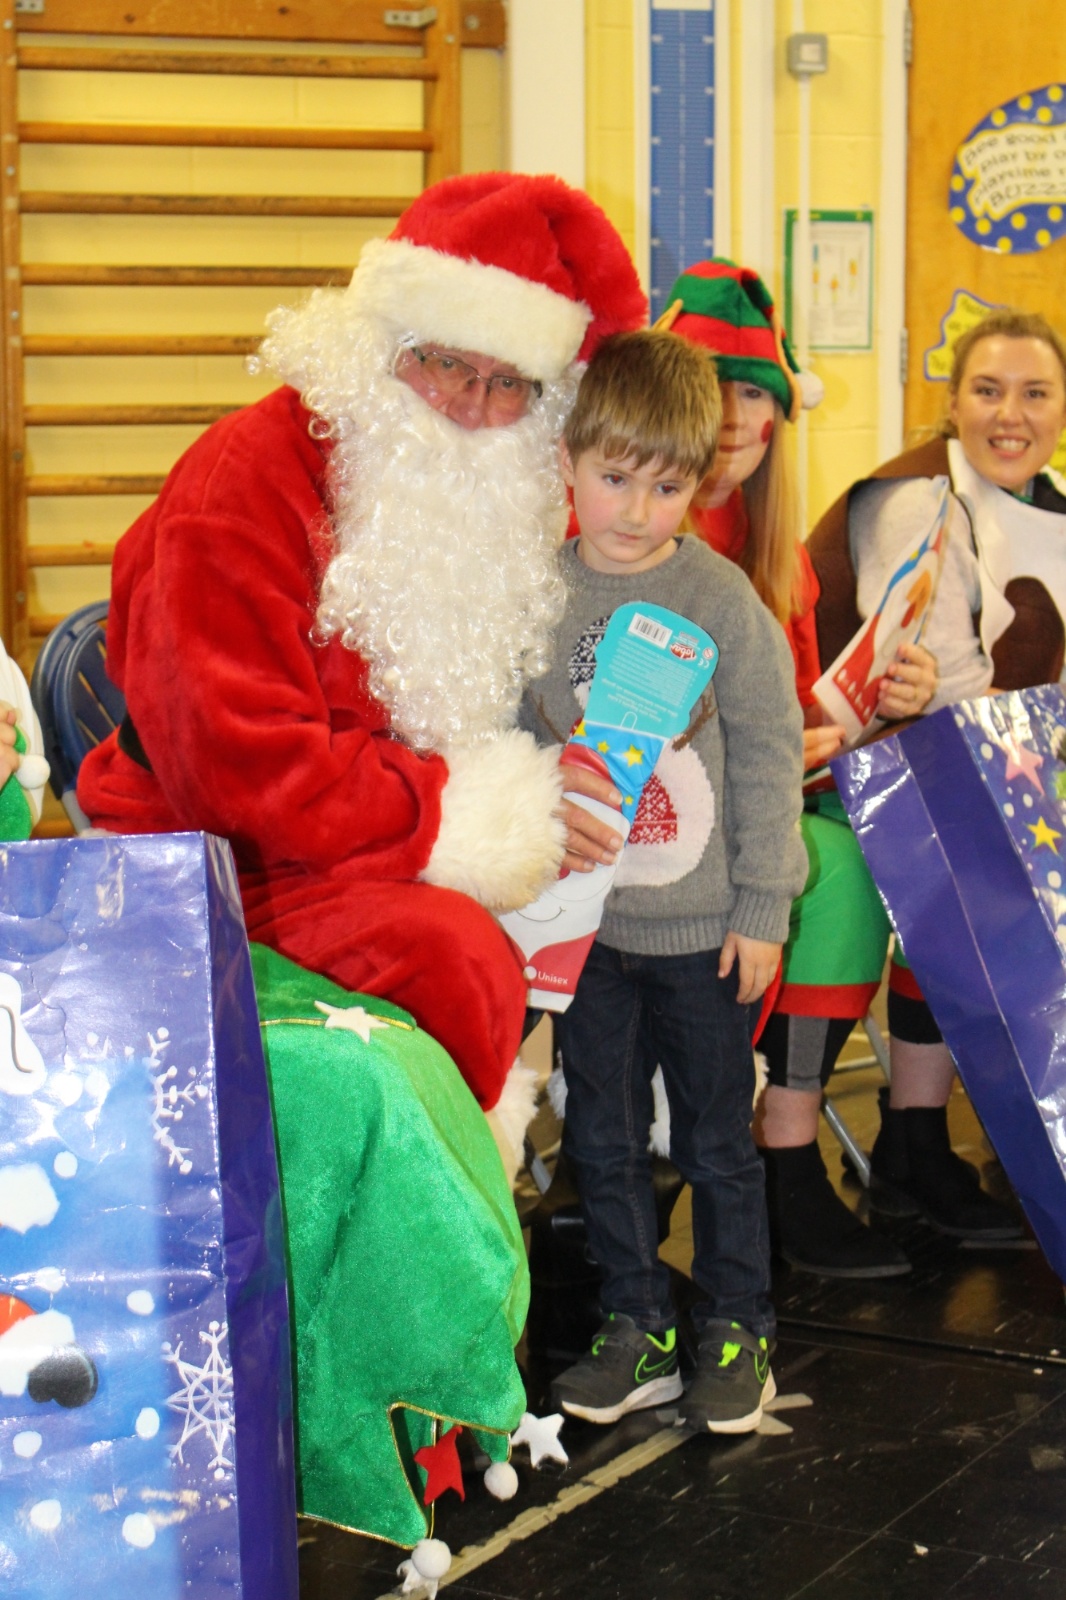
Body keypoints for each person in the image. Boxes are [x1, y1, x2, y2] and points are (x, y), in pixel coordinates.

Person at [76, 172, 646, 1158]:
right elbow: (233, 762)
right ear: (381, 342)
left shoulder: (496, 498)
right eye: (445, 363)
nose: (472, 407)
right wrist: (450, 813)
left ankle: (529, 1195)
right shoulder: (242, 481)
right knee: (454, 958)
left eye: (509, 383)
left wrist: (570, 788)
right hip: (215, 851)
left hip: (365, 835)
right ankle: (423, 1224)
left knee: (626, 917)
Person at [523, 329, 807, 1433]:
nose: (638, 512)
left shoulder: (718, 596)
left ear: (702, 479)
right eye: (614, 478)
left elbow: (771, 749)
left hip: (704, 936)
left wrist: (763, 905)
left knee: (716, 1143)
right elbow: (512, 744)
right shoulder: (537, 592)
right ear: (568, 460)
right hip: (587, 934)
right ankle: (634, 1324)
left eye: (668, 487)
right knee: (598, 1140)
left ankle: (737, 1328)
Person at [659, 258, 934, 1278]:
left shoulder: (777, 550)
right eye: (711, 389)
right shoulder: (630, 527)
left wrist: (872, 704)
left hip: (759, 810)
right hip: (652, 827)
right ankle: (774, 1156)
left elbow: (805, 716)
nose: (736, 418)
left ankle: (812, 1149)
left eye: (755, 394)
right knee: (826, 864)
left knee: (883, 846)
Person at [808, 307, 1066, 1238]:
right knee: (987, 863)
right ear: (952, 403)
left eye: (1035, 393)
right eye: (987, 390)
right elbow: (941, 679)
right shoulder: (915, 500)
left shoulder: (1053, 508)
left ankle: (938, 1135)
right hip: (865, 775)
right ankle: (924, 1138)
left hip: (989, 769)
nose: (1011, 414)